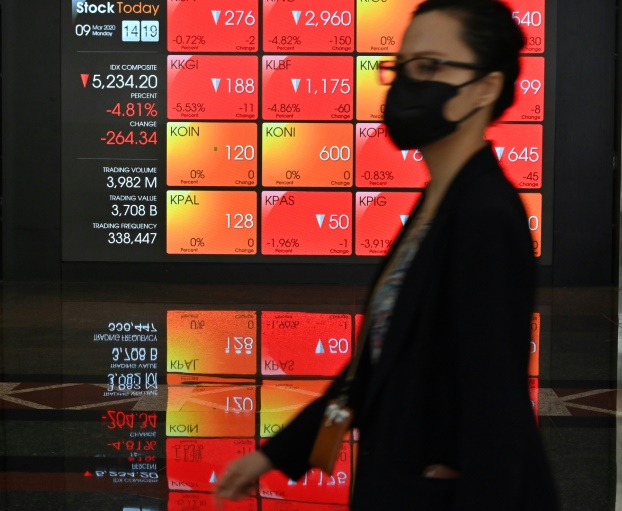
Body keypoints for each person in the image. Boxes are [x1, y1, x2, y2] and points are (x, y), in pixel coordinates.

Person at [216, 0, 559, 508]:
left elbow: (495, 403)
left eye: (430, 66)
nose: (407, 84)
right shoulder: (438, 201)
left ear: (485, 88)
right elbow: (374, 366)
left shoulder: (485, 215)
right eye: (402, 67)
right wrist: (275, 455)